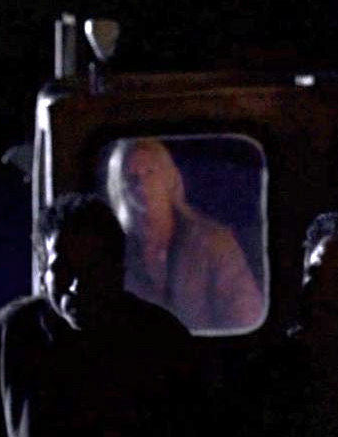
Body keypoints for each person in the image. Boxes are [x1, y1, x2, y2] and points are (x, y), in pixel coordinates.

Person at [0, 193, 199, 437]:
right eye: (63, 267)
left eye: (94, 267)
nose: (78, 285)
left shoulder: (160, 340)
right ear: (43, 275)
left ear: (118, 269)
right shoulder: (14, 330)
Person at [106, 138, 263, 332]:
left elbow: (246, 317)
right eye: (131, 177)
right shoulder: (111, 251)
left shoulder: (214, 242)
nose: (142, 184)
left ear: (170, 178)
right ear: (118, 189)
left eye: (150, 172)